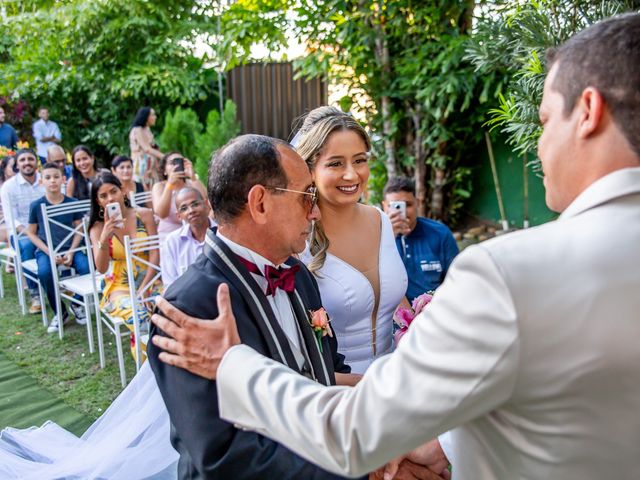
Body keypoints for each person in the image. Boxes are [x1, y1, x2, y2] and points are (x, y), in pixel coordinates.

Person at [152, 13, 640, 480]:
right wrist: (441, 445)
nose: (537, 144)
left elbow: (354, 427)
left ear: (590, 113)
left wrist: (232, 363)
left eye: (544, 119)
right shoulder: (193, 302)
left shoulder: (508, 273)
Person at [149, 134, 436, 480]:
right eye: (306, 196)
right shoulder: (189, 308)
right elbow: (227, 459)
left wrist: (381, 440)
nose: (315, 212)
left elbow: (327, 371)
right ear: (260, 203)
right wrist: (363, 468)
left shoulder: (299, 276)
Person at [295, 106, 407, 374]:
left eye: (359, 160)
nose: (352, 175)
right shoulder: (297, 240)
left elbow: (393, 300)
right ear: (310, 169)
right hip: (338, 389)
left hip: (396, 374)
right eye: (335, 163)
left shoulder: (380, 220)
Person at [88, 171, 160, 358]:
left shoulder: (143, 215)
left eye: (113, 191)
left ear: (123, 191)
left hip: (151, 280)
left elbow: (155, 254)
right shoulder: (97, 228)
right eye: (103, 196)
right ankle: (149, 366)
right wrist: (104, 237)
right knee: (140, 317)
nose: (110, 198)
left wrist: (144, 288)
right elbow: (101, 268)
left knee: (169, 309)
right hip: (119, 286)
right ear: (98, 201)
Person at [25, 162, 90, 333]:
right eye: (48, 177)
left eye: (56, 177)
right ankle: (60, 312)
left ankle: (76, 303)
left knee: (87, 267)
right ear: (42, 181)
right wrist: (49, 252)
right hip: (47, 251)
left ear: (63, 179)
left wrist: (71, 251)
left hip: (72, 249)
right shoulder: (36, 205)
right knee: (45, 272)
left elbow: (79, 228)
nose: (52, 181)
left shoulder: (72, 202)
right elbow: (31, 233)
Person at [382, 176, 458, 301]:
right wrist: (387, 238)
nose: (403, 212)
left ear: (417, 202)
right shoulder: (375, 238)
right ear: (384, 206)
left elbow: (456, 280)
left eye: (408, 204)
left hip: (434, 312)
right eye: (395, 206)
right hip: (393, 317)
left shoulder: (440, 233)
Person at [0, 148, 45, 313]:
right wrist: (30, 233)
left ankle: (65, 283)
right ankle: (35, 294)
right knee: (27, 246)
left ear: (36, 162)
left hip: (45, 230)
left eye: (30, 159)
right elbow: (12, 218)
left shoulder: (45, 180)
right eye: (22, 160)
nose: (27, 162)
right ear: (17, 165)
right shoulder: (8, 187)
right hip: (21, 232)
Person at [160, 187, 213, 289]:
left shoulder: (222, 233)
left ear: (206, 205)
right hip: (186, 301)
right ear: (179, 216)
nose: (191, 211)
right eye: (184, 208)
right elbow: (170, 284)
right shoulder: (172, 242)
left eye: (195, 204)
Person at [152, 151, 207, 240]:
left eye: (180, 161)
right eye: (172, 163)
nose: (176, 166)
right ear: (164, 171)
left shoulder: (192, 182)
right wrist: (170, 185)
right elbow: (161, 214)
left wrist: (192, 176)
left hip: (196, 233)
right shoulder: (159, 186)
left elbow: (206, 203)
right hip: (169, 235)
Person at [129, 107, 163, 187]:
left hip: (151, 167)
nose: (155, 117)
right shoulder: (137, 130)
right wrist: (164, 157)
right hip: (141, 166)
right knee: (144, 190)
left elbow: (153, 148)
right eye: (153, 115)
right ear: (146, 117)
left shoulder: (147, 129)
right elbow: (147, 149)